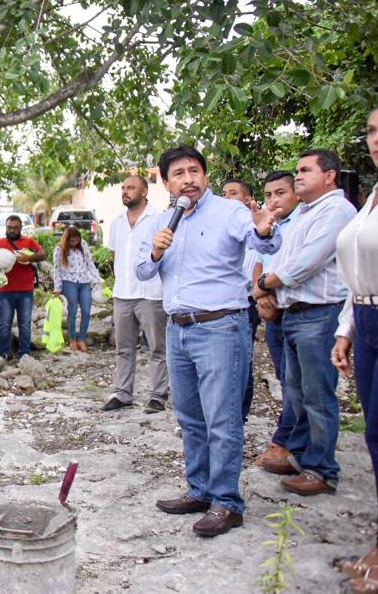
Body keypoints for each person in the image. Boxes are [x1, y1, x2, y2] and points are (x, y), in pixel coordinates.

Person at [137, 144, 280, 537]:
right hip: (177, 328)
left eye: (194, 171)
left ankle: (226, 502)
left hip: (220, 327)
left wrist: (265, 229)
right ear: (166, 183)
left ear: (205, 175)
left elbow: (261, 240)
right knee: (189, 417)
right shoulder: (164, 221)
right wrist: (153, 252)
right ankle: (199, 490)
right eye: (179, 173)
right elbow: (141, 271)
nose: (188, 179)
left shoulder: (230, 212)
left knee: (222, 418)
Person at [257, 149, 357, 497]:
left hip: (320, 313)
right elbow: (280, 257)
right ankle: (299, 455)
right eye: (297, 170)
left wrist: (264, 285)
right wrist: (269, 292)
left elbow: (304, 264)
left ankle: (322, 469)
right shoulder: (303, 213)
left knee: (317, 395)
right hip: (293, 313)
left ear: (329, 175)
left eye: (305, 170)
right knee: (295, 391)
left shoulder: (338, 211)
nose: (297, 176)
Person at [332, 108, 378, 594]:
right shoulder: (369, 201)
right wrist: (347, 329)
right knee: (376, 435)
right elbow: (357, 276)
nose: (375, 139)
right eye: (370, 131)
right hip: (366, 320)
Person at [103, 175, 168, 413]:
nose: (125, 191)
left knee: (157, 347)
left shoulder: (159, 218)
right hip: (123, 293)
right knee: (123, 346)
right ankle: (123, 393)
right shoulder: (117, 222)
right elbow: (115, 256)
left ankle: (158, 396)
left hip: (151, 293)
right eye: (123, 188)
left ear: (144, 192)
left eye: (130, 187)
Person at [250, 171, 300, 467]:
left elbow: (294, 267)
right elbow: (259, 261)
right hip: (270, 309)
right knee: (284, 378)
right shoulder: (270, 226)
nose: (273, 200)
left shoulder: (301, 223)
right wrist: (260, 295)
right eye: (268, 194)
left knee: (297, 382)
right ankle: (288, 439)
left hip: (293, 308)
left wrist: (265, 290)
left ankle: (286, 443)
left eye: (280, 193)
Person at [221, 178, 262, 422]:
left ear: (247, 198)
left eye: (233, 193)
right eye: (224, 193)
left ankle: (239, 415)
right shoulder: (222, 225)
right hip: (223, 302)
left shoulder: (256, 226)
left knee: (241, 361)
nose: (227, 197)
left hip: (248, 300)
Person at [0, 215, 45, 360]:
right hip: (5, 290)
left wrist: (28, 258)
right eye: (9, 227)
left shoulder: (28, 242)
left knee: (25, 324)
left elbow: (42, 254)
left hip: (26, 290)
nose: (11, 230)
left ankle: (24, 353)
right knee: (5, 324)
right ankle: (5, 352)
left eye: (15, 228)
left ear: (20, 228)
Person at [53, 226, 100, 352]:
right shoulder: (59, 249)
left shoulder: (83, 245)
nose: (74, 243)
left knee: (86, 310)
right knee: (72, 310)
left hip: (84, 281)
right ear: (66, 240)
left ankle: (82, 339)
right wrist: (57, 287)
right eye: (71, 241)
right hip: (69, 281)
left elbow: (90, 263)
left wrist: (97, 280)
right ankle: (72, 339)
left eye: (76, 240)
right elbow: (56, 270)